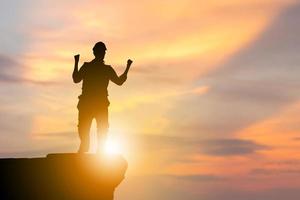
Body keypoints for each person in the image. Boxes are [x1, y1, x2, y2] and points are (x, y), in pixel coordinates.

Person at [72, 41, 133, 153]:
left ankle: (99, 151)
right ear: (95, 52)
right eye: (101, 51)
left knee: (102, 130)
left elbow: (119, 81)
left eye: (103, 51)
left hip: (99, 105)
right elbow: (76, 79)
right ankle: (86, 147)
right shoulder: (88, 67)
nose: (103, 53)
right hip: (88, 104)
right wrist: (76, 63)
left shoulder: (106, 69)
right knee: (84, 130)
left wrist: (128, 67)